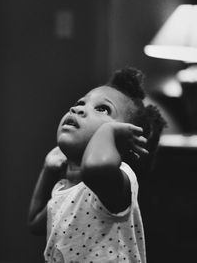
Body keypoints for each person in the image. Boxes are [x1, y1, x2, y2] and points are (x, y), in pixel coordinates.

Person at [28, 67, 166, 263]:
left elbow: (95, 168)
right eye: (80, 103)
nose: (77, 108)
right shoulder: (65, 189)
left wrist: (108, 131)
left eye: (102, 109)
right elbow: (34, 223)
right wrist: (48, 170)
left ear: (126, 140)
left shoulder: (117, 180)